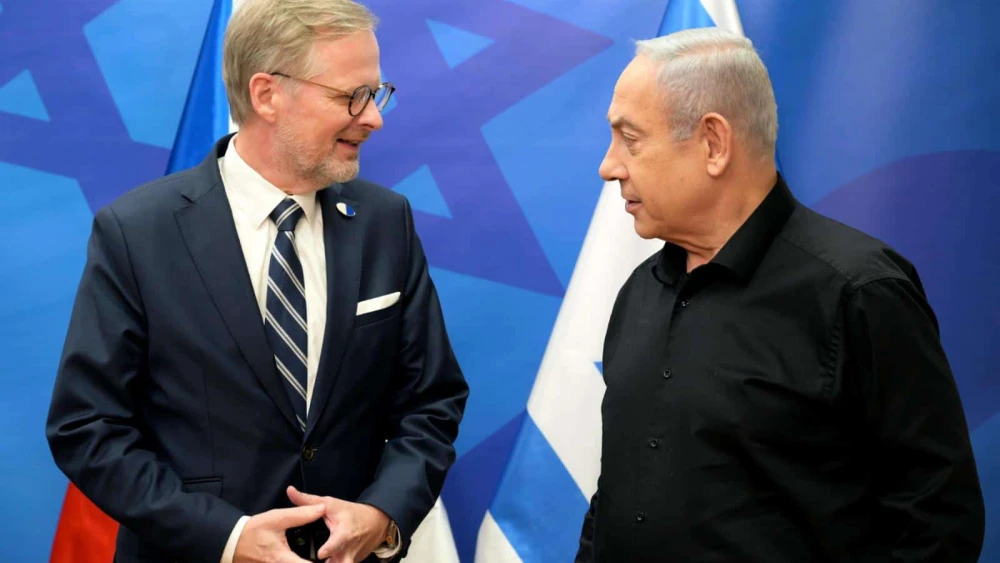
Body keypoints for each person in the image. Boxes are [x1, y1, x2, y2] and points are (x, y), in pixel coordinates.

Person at [45, 1, 469, 561]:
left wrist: (382, 513)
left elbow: (431, 403)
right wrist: (227, 536)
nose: (374, 118)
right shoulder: (137, 234)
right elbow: (86, 427)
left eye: (377, 92)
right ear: (267, 94)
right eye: (352, 96)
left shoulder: (385, 223)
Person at [576, 28, 984, 562]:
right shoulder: (639, 292)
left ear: (714, 143)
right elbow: (621, 492)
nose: (610, 166)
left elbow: (936, 522)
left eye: (630, 139)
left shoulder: (858, 293)